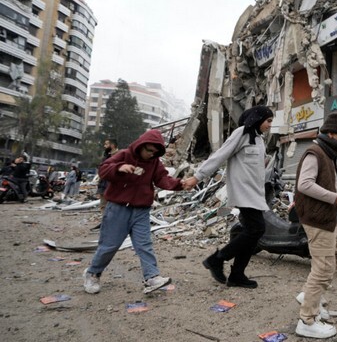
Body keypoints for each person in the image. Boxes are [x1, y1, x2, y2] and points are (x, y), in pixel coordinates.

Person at [181, 106, 274, 289]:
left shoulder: (259, 139)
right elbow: (220, 155)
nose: (270, 125)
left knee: (252, 234)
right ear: (258, 118)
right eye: (268, 121)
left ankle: (237, 275)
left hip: (255, 193)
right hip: (243, 192)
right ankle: (217, 259)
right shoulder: (242, 133)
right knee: (256, 229)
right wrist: (197, 176)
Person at [83, 129, 184, 295]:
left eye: (155, 152)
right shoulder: (123, 155)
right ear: (141, 146)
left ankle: (151, 277)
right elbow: (103, 170)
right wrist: (119, 167)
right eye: (149, 150)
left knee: (144, 245)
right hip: (118, 208)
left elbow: (162, 179)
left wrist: (180, 184)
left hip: (141, 210)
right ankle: (92, 273)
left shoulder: (155, 162)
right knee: (109, 245)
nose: (151, 154)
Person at [293, 113, 337, 339]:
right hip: (317, 218)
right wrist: (335, 198)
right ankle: (307, 320)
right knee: (322, 268)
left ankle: (309, 295)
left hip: (332, 217)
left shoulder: (328, 154)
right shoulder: (315, 152)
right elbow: (304, 184)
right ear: (330, 134)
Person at [96, 139, 119, 214]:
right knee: (103, 206)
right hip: (103, 185)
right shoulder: (106, 156)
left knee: (114, 207)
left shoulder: (120, 155)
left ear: (112, 145)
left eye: (106, 144)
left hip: (114, 186)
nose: (104, 146)